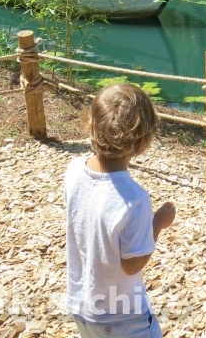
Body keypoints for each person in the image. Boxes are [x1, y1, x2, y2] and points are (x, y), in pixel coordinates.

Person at [65, 83, 175, 338]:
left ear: (92, 125)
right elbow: (133, 264)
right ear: (144, 140)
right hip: (122, 316)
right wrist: (157, 223)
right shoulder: (134, 200)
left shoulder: (73, 171)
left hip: (82, 304)